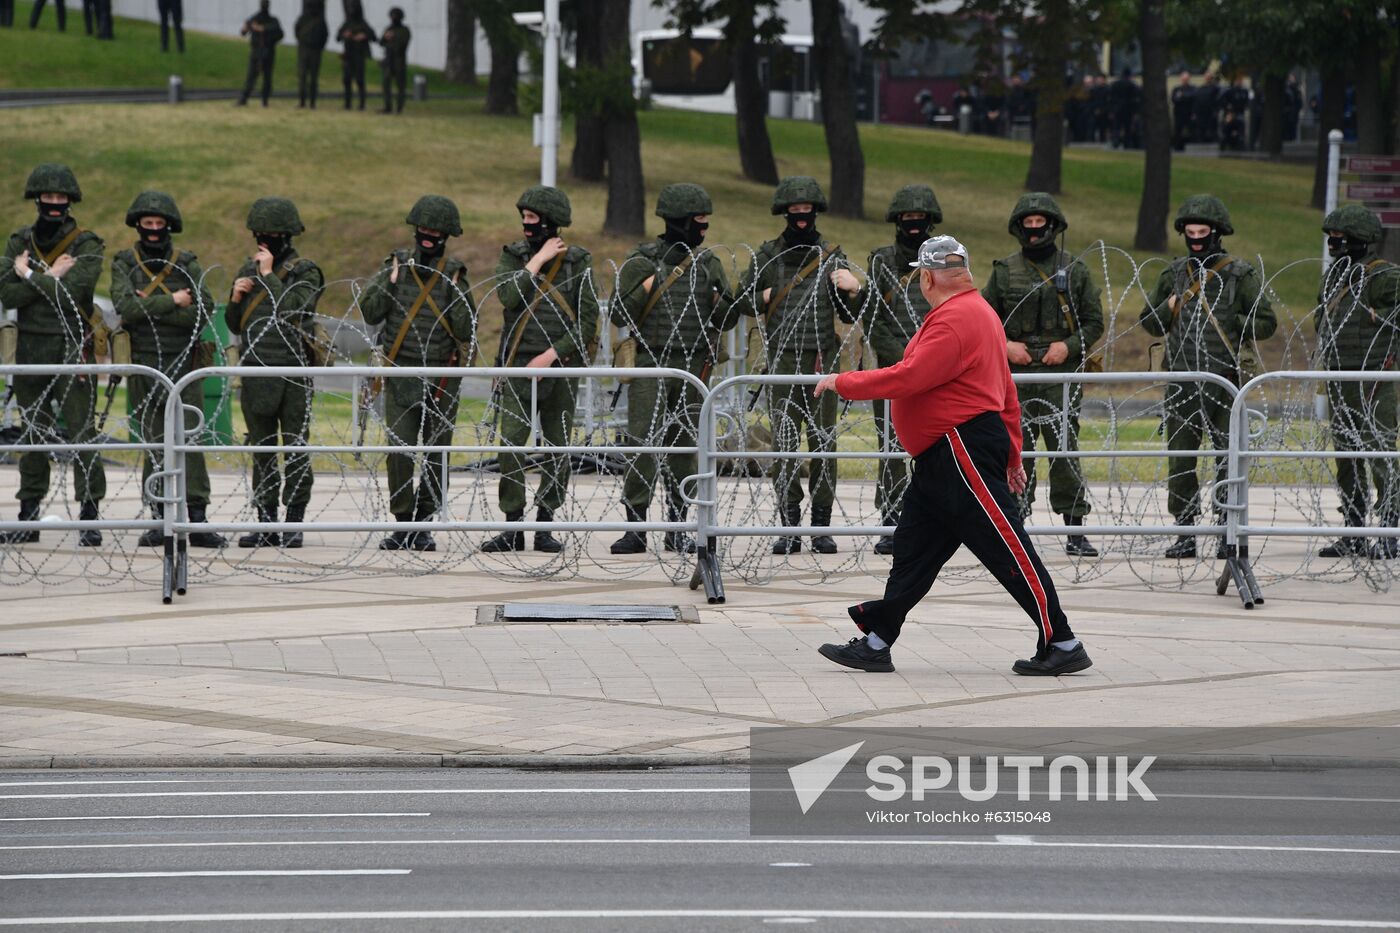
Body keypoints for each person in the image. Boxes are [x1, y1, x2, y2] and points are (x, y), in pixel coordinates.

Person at [813, 236, 1092, 677]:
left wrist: (843, 382)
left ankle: (1062, 640)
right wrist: (1014, 452)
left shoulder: (956, 319)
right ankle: (876, 640)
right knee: (914, 551)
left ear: (926, 277)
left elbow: (909, 377)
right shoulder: (976, 312)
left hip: (959, 448)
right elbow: (1005, 390)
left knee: (1008, 547)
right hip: (943, 456)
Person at [1139, 195, 1276, 559]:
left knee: (1226, 459)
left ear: (1217, 233)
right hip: (1182, 380)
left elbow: (1267, 322)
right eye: (1190, 232)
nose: (1196, 239)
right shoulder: (1173, 274)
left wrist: (1235, 321)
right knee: (1181, 458)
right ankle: (1185, 531)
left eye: (1202, 232)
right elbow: (1147, 321)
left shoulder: (1240, 274)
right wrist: (1166, 309)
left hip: (1225, 379)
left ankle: (1225, 531)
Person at [608, 183, 737, 556]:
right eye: (698, 221)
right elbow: (619, 313)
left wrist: (721, 300)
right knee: (642, 443)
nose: (703, 229)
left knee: (684, 446)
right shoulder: (642, 260)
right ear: (679, 221)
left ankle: (679, 523)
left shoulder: (709, 262)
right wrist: (646, 285)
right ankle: (636, 526)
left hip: (695, 362)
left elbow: (726, 319)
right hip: (651, 360)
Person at [738, 177, 860, 555]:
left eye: (807, 210)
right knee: (786, 442)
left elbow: (849, 313)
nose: (801, 217)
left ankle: (820, 526)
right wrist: (766, 295)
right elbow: (738, 301)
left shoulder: (831, 256)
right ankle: (788, 525)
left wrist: (855, 288)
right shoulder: (768, 256)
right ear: (785, 213)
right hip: (782, 359)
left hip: (823, 358)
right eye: (795, 210)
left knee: (823, 442)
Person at [982, 193, 1104, 557]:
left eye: (1040, 223)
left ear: (1053, 226)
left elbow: (1094, 321)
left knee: (1064, 448)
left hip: (1059, 375)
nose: (1034, 230)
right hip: (1014, 375)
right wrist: (1004, 345)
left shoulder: (1075, 270)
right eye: (1028, 224)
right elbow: (984, 319)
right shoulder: (1003, 271)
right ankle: (1015, 524)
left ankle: (1075, 526)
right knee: (1015, 452)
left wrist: (1068, 345)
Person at [480, 186, 597, 554]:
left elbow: (588, 321)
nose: (526, 224)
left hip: (558, 366)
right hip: (516, 365)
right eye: (524, 218)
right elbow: (509, 297)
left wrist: (552, 356)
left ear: (550, 221)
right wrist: (537, 261)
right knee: (511, 445)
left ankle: (545, 522)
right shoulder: (513, 257)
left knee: (556, 446)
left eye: (532, 218)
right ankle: (512, 524)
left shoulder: (579, 263)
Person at [360, 196, 476, 552]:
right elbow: (370, 311)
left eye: (436, 231)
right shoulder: (395, 267)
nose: (428, 236)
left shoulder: (454, 274)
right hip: (400, 374)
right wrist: (389, 279)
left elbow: (465, 328)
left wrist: (455, 289)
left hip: (442, 379)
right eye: (423, 229)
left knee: (436, 451)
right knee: (399, 451)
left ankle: (424, 522)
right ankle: (403, 521)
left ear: (447, 234)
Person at [111, 191, 226, 549]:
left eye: (160, 224)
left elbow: (203, 310)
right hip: (144, 363)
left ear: (170, 226)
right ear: (138, 225)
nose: (154, 230)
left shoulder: (187, 263)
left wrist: (152, 304)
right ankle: (159, 517)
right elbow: (125, 308)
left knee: (189, 441)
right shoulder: (123, 263)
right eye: (148, 224)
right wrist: (174, 300)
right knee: (153, 443)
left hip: (184, 363)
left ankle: (198, 517)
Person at [0, 164, 105, 547]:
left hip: (72, 347)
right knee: (32, 435)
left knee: (82, 434)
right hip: (31, 348)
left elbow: (74, 293)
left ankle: (91, 516)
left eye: (62, 198)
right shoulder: (19, 240)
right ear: (37, 199)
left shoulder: (87, 243)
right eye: (49, 198)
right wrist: (53, 277)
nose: (55, 204)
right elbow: (6, 296)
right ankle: (28, 513)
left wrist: (28, 276)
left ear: (71, 200)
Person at [224, 198, 323, 550]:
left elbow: (295, 308)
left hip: (294, 369)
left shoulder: (305, 271)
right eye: (260, 234)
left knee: (294, 446)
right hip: (256, 369)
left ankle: (294, 520)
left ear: (287, 236)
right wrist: (236, 298)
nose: (265, 240)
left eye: (273, 235)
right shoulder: (247, 269)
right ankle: (265, 520)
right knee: (261, 448)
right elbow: (235, 324)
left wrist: (267, 276)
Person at [857, 185, 943, 555]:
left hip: (938, 366)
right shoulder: (881, 262)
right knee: (891, 446)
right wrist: (906, 359)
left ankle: (938, 519)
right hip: (895, 367)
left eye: (920, 219)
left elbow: (951, 307)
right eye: (907, 218)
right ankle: (892, 518)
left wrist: (926, 357)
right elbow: (873, 319)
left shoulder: (942, 258)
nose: (914, 224)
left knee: (940, 445)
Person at [1314, 205, 1400, 560]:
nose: (1333, 243)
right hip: (1340, 376)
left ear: (1359, 241)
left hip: (1376, 378)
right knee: (1347, 457)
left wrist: (1377, 316)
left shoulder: (1385, 277)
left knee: (1379, 452)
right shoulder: (1333, 277)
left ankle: (1392, 528)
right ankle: (1354, 529)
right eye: (1331, 237)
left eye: (1340, 238)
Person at [237, 0, 284, 108]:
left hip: (268, 52)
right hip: (256, 52)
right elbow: (244, 32)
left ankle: (265, 100)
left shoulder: (273, 21)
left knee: (267, 78)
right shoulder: (255, 18)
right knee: (251, 76)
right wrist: (246, 27)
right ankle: (244, 98)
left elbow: (280, 34)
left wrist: (263, 30)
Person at [337, 1, 376, 111]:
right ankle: (347, 103)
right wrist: (345, 35)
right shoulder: (347, 23)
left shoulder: (362, 23)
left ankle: (362, 104)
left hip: (359, 54)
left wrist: (364, 36)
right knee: (347, 80)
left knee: (360, 80)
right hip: (348, 54)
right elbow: (338, 37)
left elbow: (373, 36)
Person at [295, 0, 329, 108]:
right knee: (304, 76)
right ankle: (304, 101)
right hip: (308, 49)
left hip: (312, 49)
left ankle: (310, 102)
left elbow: (324, 35)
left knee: (311, 77)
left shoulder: (317, 20)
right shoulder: (306, 19)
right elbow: (297, 31)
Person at [378, 6, 410, 114]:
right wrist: (385, 37)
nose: (394, 18)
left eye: (396, 16)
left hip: (399, 61)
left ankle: (399, 107)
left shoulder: (404, 30)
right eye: (392, 16)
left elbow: (402, 46)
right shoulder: (388, 29)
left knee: (400, 85)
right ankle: (388, 106)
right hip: (388, 61)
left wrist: (392, 38)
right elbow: (381, 43)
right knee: (386, 84)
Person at [1110, 67, 1141, 149]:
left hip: (1117, 109)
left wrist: (1112, 110)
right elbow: (1135, 100)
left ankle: (1115, 142)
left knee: (1116, 127)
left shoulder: (1115, 84)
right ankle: (1126, 143)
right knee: (1127, 127)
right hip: (1128, 110)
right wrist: (1135, 112)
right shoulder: (1132, 85)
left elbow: (1111, 98)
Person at [1193, 73, 1220, 144]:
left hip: (1210, 112)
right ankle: (1200, 142)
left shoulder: (1215, 88)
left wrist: (1216, 111)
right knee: (1201, 129)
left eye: (1209, 77)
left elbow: (1217, 101)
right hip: (1201, 112)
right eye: (1206, 77)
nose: (1207, 79)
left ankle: (1213, 143)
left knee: (1212, 129)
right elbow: (1197, 100)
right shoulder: (1201, 88)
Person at [1171, 71, 1195, 150]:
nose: (1185, 80)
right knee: (1177, 131)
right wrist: (1185, 97)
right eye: (1183, 79)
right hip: (1178, 114)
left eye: (1186, 79)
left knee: (1191, 131)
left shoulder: (1192, 88)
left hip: (1189, 113)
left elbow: (1191, 98)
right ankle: (1177, 147)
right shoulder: (1176, 89)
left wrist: (1182, 97)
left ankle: (1191, 146)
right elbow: (1174, 99)